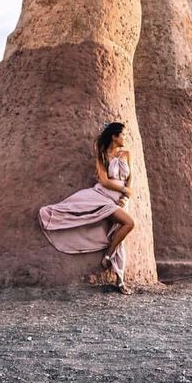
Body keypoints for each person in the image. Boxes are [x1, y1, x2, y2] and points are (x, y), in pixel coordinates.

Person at [38, 121, 135, 294]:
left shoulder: (127, 154)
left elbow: (130, 179)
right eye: (123, 134)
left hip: (120, 200)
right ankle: (108, 255)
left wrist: (126, 197)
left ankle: (119, 277)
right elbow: (104, 181)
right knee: (129, 223)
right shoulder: (103, 155)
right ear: (114, 136)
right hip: (104, 196)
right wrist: (122, 189)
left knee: (121, 232)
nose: (125, 137)